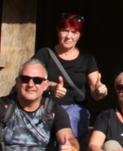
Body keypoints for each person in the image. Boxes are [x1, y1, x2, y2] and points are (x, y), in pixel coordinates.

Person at [32, 13, 107, 143]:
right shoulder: (44, 54)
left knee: (66, 131)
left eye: (74, 32)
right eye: (65, 31)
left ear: (80, 35)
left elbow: (95, 94)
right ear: (58, 31)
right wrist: (50, 87)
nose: (69, 36)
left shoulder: (87, 58)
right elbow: (30, 80)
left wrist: (100, 91)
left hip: (74, 109)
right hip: (46, 107)